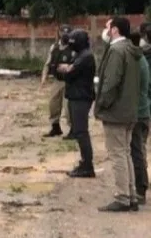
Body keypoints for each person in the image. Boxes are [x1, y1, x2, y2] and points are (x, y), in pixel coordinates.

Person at [94, 17, 143, 212]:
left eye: (108, 27)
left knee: (117, 154)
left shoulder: (116, 51)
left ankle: (123, 197)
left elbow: (111, 82)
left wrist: (102, 104)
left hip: (116, 111)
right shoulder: (131, 50)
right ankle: (131, 195)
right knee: (125, 153)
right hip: (129, 110)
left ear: (114, 30)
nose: (105, 31)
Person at [58, 29, 96, 178]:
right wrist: (66, 69)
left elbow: (69, 73)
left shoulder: (85, 56)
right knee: (79, 132)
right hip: (77, 96)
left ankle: (87, 166)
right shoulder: (81, 55)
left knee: (81, 132)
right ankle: (85, 163)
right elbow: (66, 71)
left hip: (81, 98)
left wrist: (66, 69)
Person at [42, 25, 75, 137]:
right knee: (53, 104)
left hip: (70, 81)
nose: (65, 35)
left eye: (67, 32)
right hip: (57, 80)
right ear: (59, 33)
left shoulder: (74, 48)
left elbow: (78, 64)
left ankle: (73, 129)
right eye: (62, 32)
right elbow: (48, 63)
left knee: (68, 107)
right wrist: (44, 77)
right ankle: (55, 127)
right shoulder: (54, 47)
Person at [132, 24, 151, 204]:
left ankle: (141, 187)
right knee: (140, 148)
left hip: (140, 111)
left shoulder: (140, 60)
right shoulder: (142, 59)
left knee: (137, 150)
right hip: (144, 109)